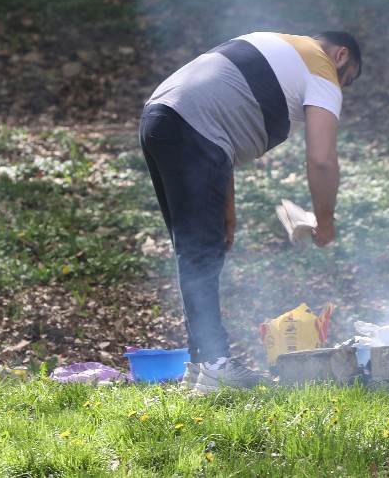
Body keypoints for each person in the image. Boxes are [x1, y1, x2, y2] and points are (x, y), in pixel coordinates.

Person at [139, 31, 362, 392]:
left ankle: (201, 365)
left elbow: (220, 123)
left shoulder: (277, 45)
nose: (339, 90)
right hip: (192, 129)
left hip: (160, 119)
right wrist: (326, 219)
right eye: (346, 80)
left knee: (194, 252)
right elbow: (321, 159)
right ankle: (214, 365)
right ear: (341, 55)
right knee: (200, 255)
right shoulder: (321, 67)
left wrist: (227, 209)